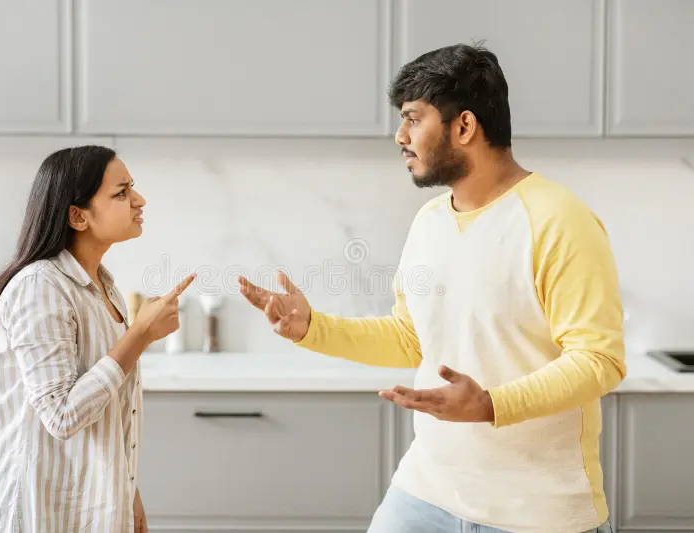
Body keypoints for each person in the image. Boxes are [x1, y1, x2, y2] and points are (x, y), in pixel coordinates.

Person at [239, 43, 625, 533]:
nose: (400, 136)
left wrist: (491, 404)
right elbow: (410, 337)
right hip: (425, 495)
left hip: (538, 513)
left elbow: (599, 360)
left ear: (464, 126)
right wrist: (313, 328)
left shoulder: (559, 220)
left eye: (413, 119)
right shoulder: (429, 223)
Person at [0, 145, 196, 533]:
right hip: (32, 509)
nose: (139, 200)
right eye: (121, 192)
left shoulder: (104, 288)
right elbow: (62, 415)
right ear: (78, 216)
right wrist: (139, 335)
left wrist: (128, 494)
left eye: (132, 189)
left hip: (89, 504)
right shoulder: (40, 286)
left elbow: (108, 416)